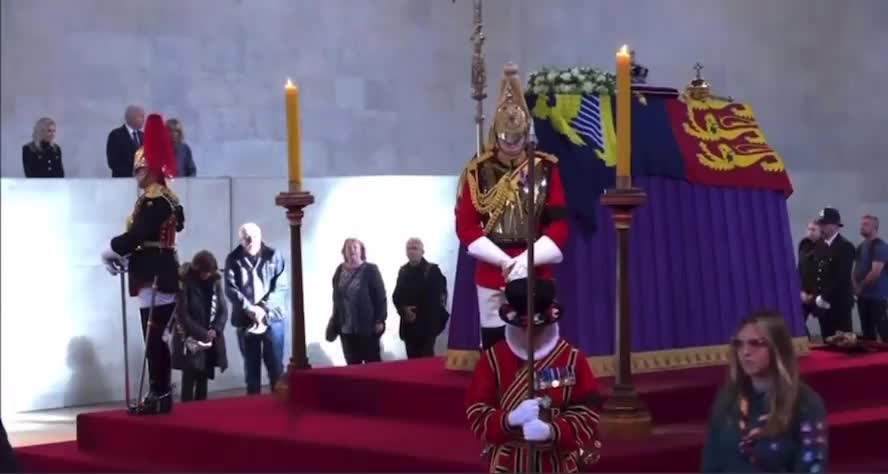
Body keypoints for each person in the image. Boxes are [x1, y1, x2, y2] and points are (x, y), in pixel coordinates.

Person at [455, 63, 569, 350]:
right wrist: (505, 262)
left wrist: (524, 261)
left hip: (536, 271)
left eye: (517, 139)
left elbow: (559, 223)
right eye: (507, 139)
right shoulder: (477, 171)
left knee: (538, 347)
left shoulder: (546, 168)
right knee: (495, 350)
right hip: (494, 270)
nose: (512, 145)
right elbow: (466, 226)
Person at [465, 278, 601, 473]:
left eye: (537, 329)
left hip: (558, 463)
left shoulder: (572, 358)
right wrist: (509, 419)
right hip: (508, 464)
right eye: (523, 327)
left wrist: (552, 431)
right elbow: (476, 411)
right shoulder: (493, 358)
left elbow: (588, 411)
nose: (529, 333)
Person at [101, 113, 184, 415]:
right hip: (157, 270)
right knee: (156, 340)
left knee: (154, 340)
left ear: (148, 170)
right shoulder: (168, 198)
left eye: (139, 171)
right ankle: (159, 393)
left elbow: (138, 235)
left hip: (155, 274)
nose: (136, 176)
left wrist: (110, 250)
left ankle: (159, 394)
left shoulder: (154, 201)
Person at [701, 311, 828, 473]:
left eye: (755, 343)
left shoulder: (805, 403)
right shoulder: (727, 399)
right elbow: (711, 463)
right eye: (739, 344)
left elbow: (811, 467)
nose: (745, 352)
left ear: (778, 348)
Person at [224, 223, 288, 395]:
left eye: (254, 236)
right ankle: (254, 413)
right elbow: (230, 289)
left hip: (272, 319)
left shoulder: (275, 255)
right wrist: (249, 308)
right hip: (246, 321)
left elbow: (281, 286)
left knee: (276, 367)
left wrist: (262, 307)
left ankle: (280, 410)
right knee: (251, 371)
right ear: (241, 240)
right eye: (246, 237)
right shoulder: (233, 259)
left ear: (260, 236)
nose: (250, 240)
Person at [171, 250, 228, 402]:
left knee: (204, 377)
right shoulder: (185, 282)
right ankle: (187, 414)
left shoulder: (215, 281)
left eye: (209, 272)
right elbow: (182, 315)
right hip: (189, 337)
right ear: (196, 269)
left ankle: (201, 413)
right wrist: (202, 333)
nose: (206, 275)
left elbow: (223, 310)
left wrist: (216, 329)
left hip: (210, 338)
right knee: (189, 378)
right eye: (203, 272)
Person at [327, 238, 387, 364]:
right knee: (352, 364)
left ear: (361, 251)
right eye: (348, 247)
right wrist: (335, 319)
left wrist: (379, 319)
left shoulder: (370, 269)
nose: (352, 250)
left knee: (372, 363)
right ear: (344, 252)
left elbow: (380, 297)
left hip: (367, 326)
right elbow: (336, 298)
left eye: (355, 247)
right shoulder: (339, 270)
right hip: (346, 327)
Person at [392, 238, 448, 358]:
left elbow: (437, 300)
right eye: (409, 248)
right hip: (409, 327)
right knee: (411, 364)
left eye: (415, 248)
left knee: (425, 365)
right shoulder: (403, 271)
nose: (412, 251)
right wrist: (404, 310)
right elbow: (396, 296)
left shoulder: (433, 271)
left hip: (427, 328)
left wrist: (417, 313)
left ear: (422, 251)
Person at [812, 207, 856, 340]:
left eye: (824, 224)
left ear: (835, 225)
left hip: (838, 305)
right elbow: (817, 273)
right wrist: (817, 296)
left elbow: (841, 277)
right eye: (820, 224)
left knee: (842, 344)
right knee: (827, 342)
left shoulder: (845, 247)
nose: (821, 228)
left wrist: (824, 297)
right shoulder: (820, 246)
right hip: (823, 307)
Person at [853, 214, 888, 341]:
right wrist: (855, 287)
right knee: (867, 333)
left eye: (866, 224)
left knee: (883, 331)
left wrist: (860, 287)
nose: (862, 227)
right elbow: (855, 269)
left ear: (875, 227)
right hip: (863, 296)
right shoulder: (861, 246)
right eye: (862, 224)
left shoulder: (880, 246)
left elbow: (875, 272)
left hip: (877, 297)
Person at [106, 105, 145, 177]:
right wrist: (134, 172)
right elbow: (113, 162)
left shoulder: (144, 136)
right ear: (130, 117)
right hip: (123, 182)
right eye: (141, 117)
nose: (143, 120)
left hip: (142, 183)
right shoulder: (116, 135)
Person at [798, 221, 821, 340]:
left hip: (818, 293)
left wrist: (814, 294)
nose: (810, 232)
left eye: (813, 230)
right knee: (797, 321)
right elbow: (800, 269)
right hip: (803, 292)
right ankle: (807, 344)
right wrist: (800, 291)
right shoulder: (803, 244)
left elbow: (824, 274)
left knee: (826, 325)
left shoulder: (824, 246)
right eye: (809, 229)